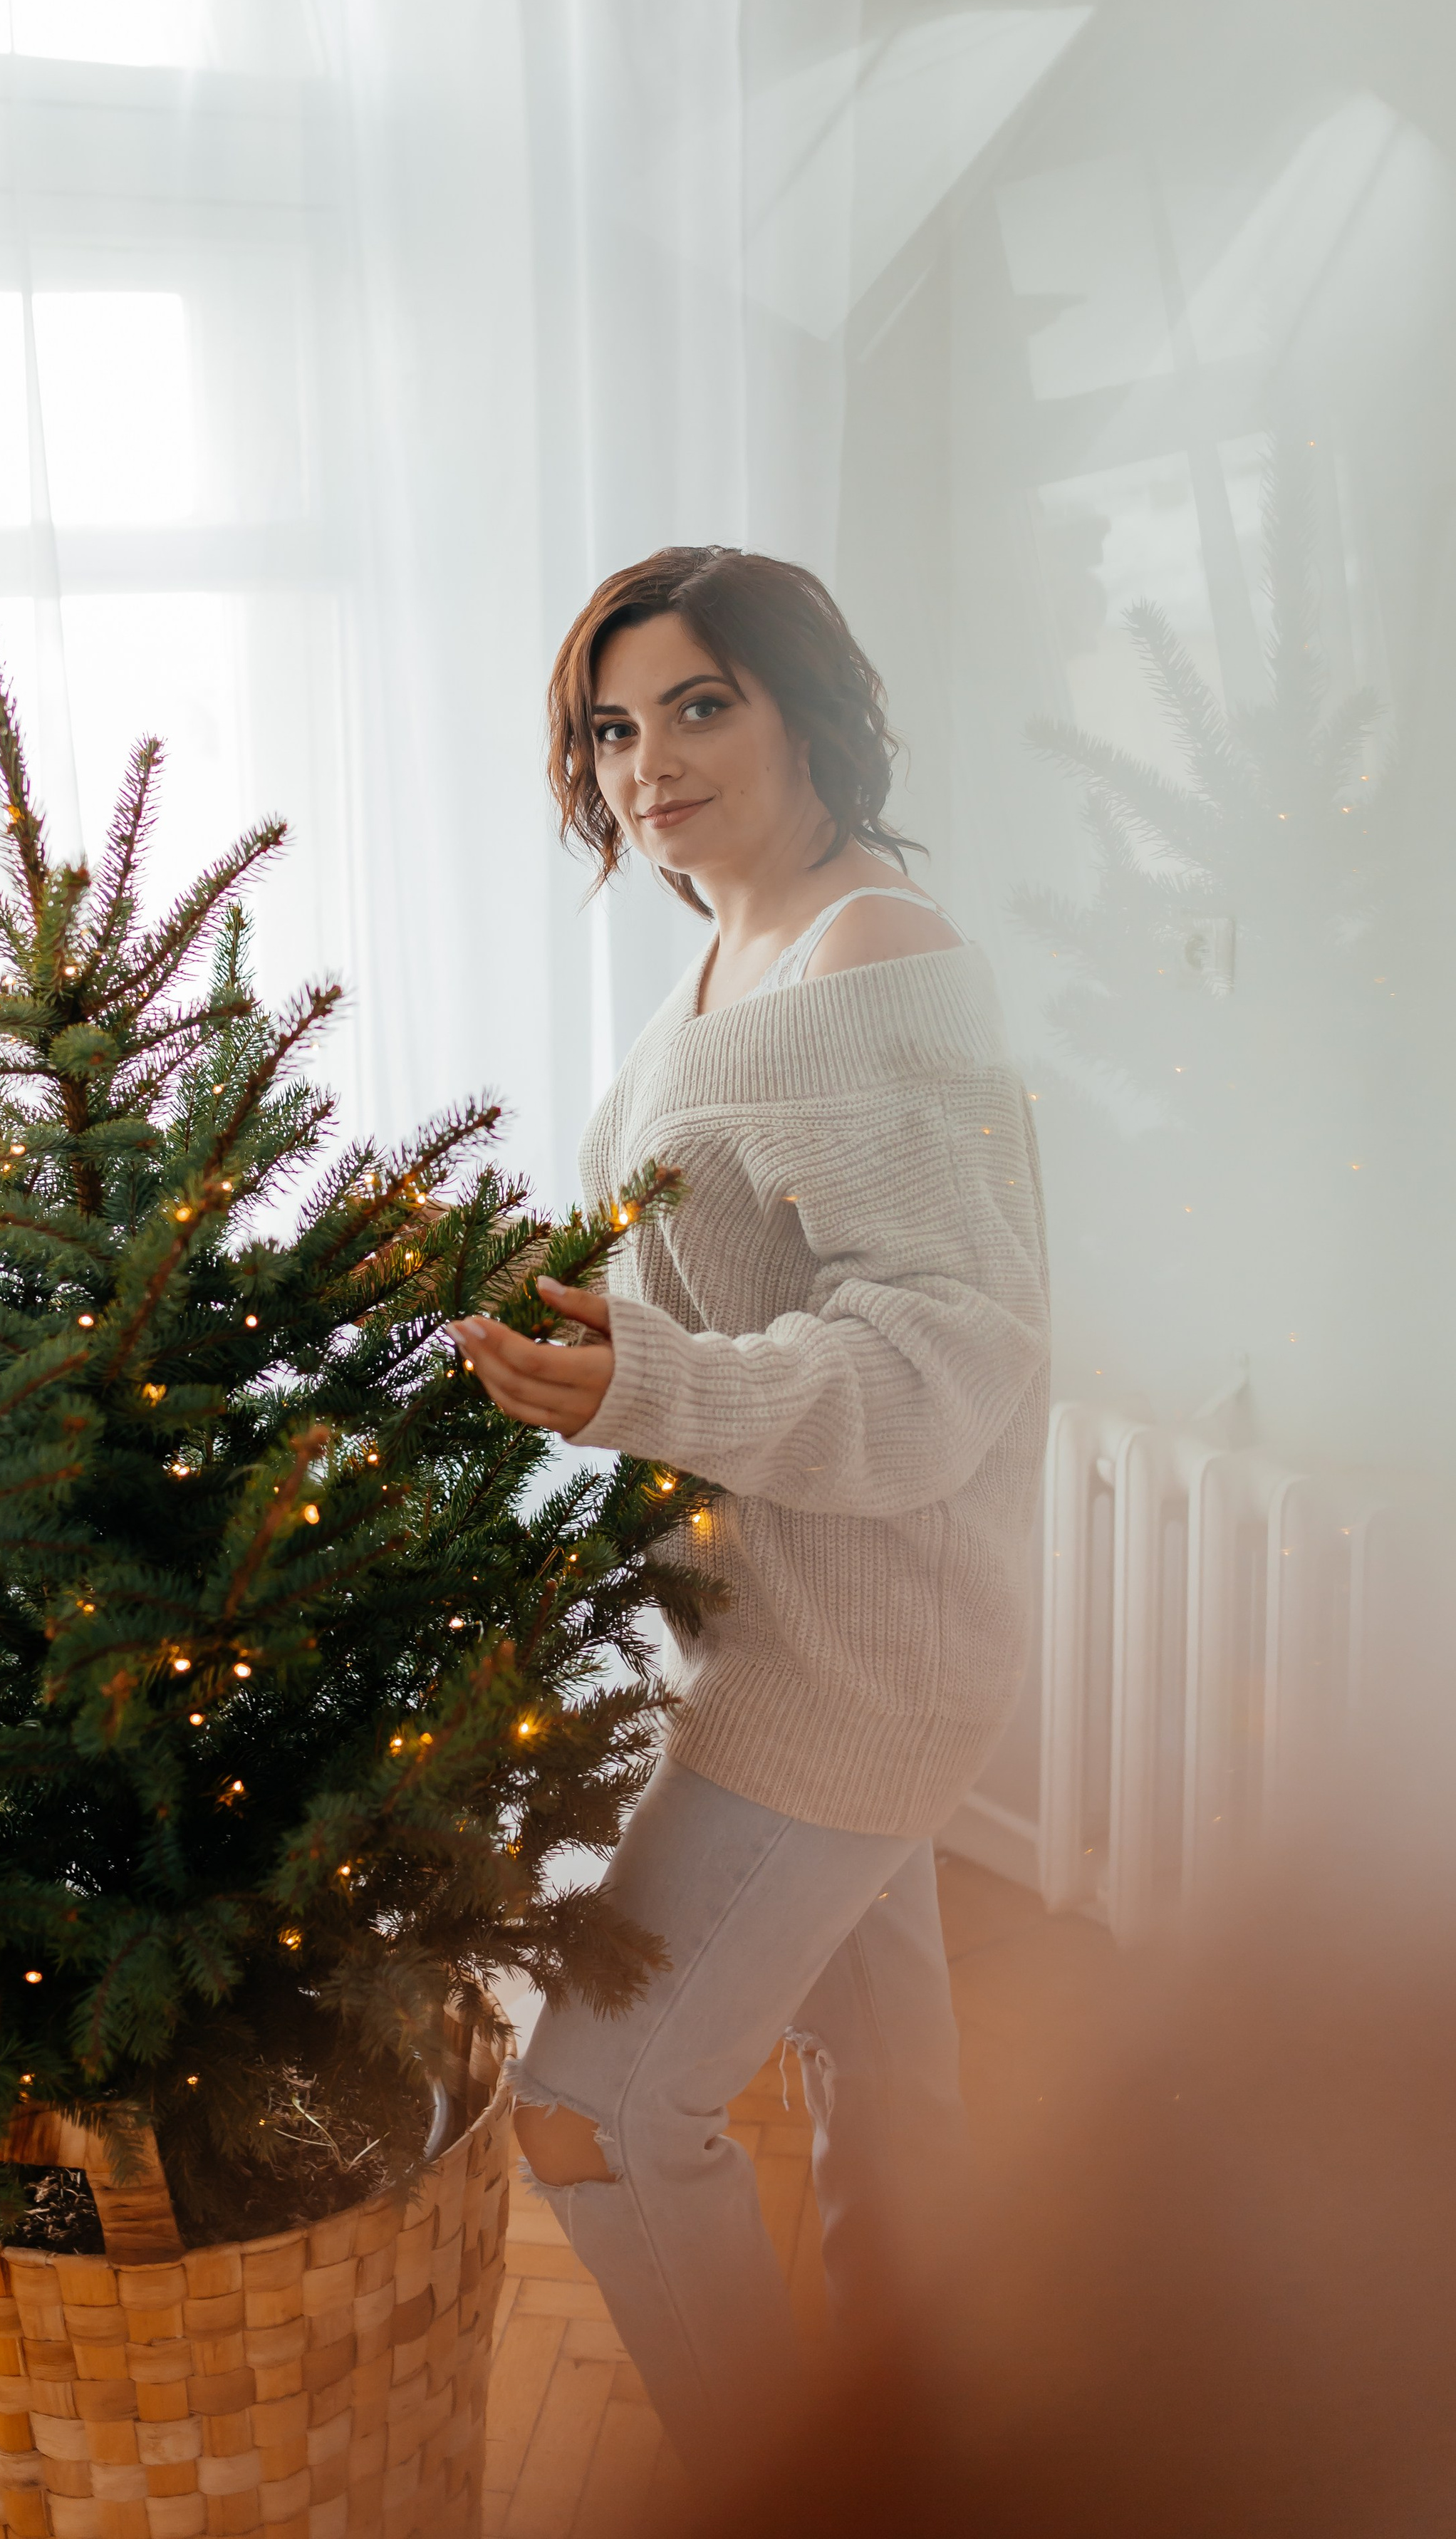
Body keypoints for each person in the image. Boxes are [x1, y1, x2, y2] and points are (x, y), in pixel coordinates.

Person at [445, 546, 1050, 2476]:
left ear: (807, 709)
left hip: (856, 1654)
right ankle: (928, 2448)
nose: (648, 762)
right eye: (612, 726)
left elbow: (943, 1359)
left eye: (701, 706)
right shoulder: (733, 950)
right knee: (894, 2089)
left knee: (601, 2110)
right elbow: (723, 1278)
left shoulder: (869, 958)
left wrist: (643, 1384)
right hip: (784, 1617)